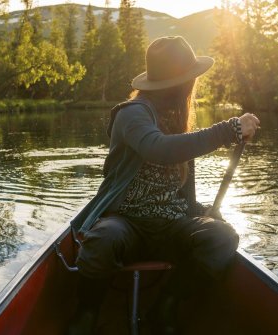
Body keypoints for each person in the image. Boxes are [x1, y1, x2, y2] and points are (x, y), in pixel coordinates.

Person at [67, 36, 260, 335]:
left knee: (221, 237)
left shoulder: (179, 116)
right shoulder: (132, 113)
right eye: (189, 79)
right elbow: (159, 149)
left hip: (172, 224)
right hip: (126, 222)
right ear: (179, 83)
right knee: (102, 240)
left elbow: (179, 181)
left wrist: (200, 211)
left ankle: (165, 306)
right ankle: (86, 314)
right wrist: (229, 129)